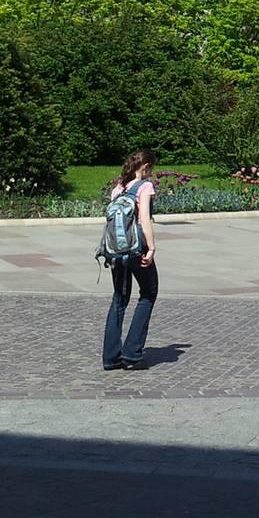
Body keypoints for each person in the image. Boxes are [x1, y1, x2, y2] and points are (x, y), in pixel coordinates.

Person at [103, 148, 160, 371]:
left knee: (119, 298)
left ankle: (110, 357)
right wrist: (151, 248)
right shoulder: (144, 187)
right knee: (148, 293)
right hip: (137, 249)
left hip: (116, 251)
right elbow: (144, 219)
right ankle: (132, 352)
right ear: (145, 167)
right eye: (151, 169)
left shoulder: (118, 189)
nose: (151, 174)